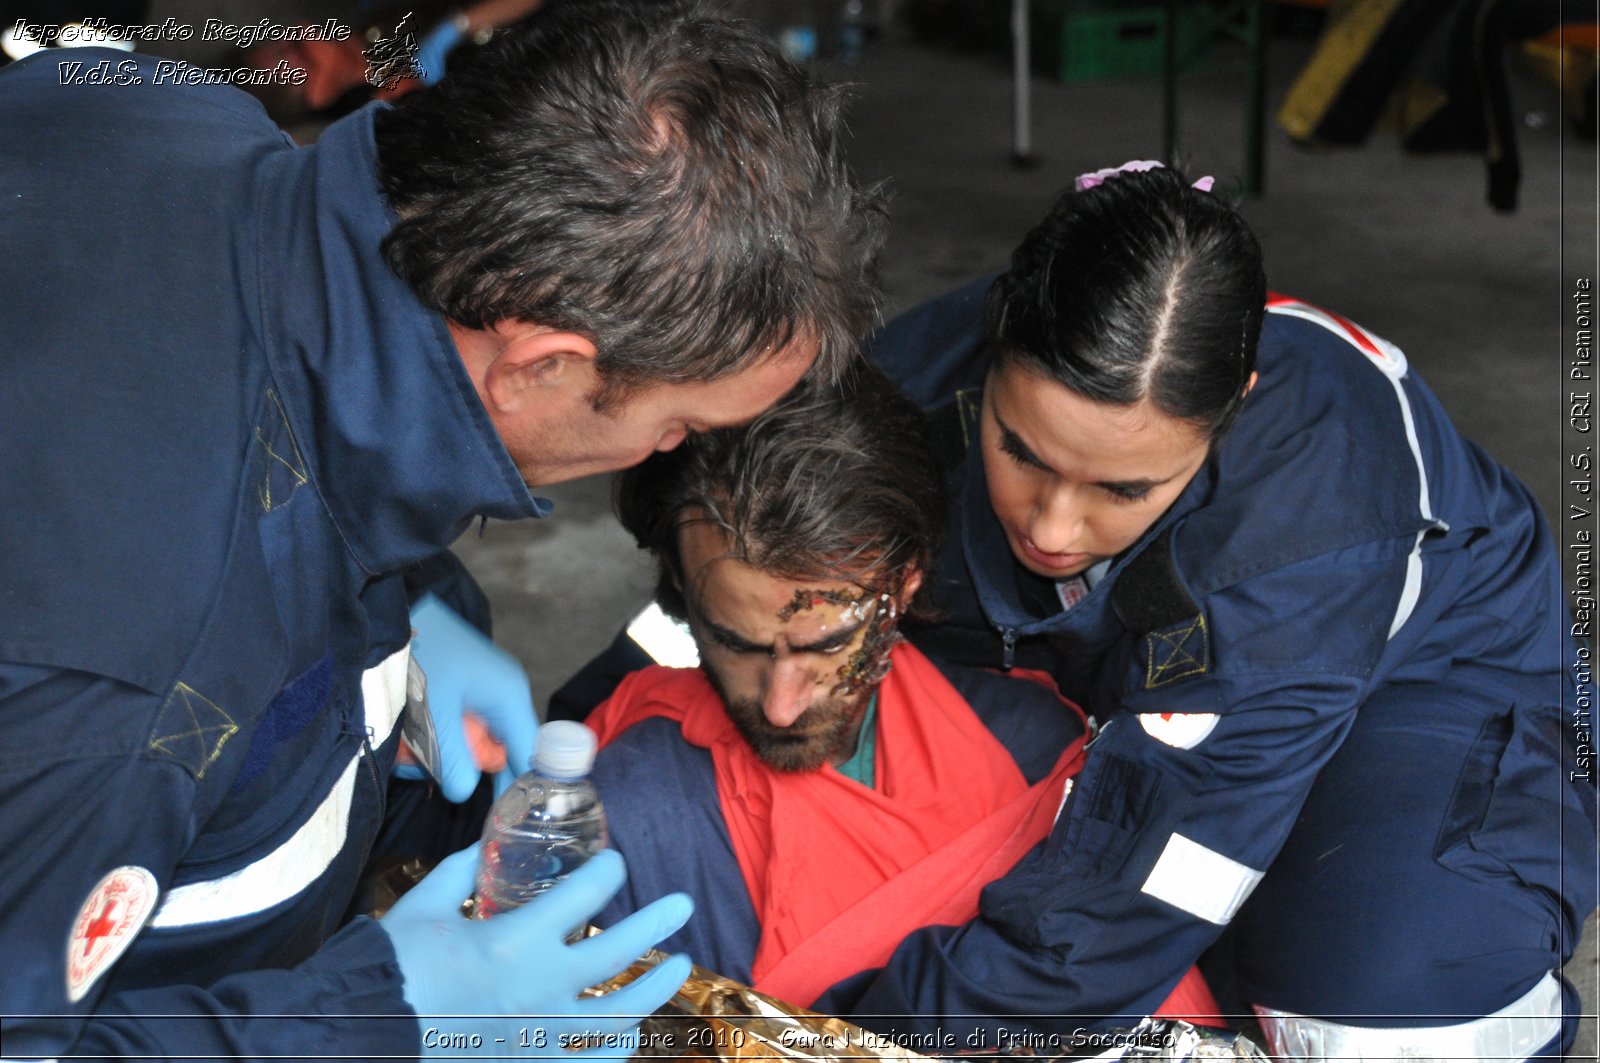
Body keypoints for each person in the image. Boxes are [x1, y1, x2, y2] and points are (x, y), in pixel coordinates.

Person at [0, 1, 885, 1057]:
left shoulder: (160, 112)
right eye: (677, 425)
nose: (665, 454)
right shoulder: (130, 688)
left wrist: (409, 612)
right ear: (541, 366)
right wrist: (374, 1018)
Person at [823, 163, 1597, 1059]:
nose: (1053, 524)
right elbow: (728, 579)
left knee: (1374, 1000)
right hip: (1124, 690)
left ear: (1235, 407)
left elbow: (1153, 875)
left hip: (1429, 690)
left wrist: (863, 1037)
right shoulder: (910, 382)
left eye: (1123, 487)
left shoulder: (1307, 528)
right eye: (1021, 450)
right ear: (991, 346)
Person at [579, 367, 1218, 1023]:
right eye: (734, 642)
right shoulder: (631, 807)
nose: (780, 703)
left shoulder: (1032, 755)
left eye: (826, 644)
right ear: (682, 588)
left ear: (906, 583)